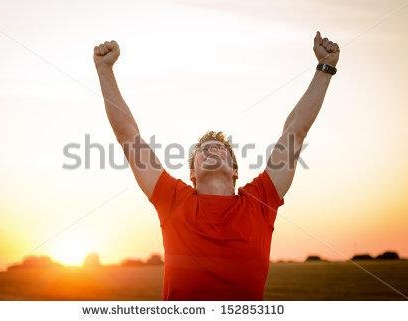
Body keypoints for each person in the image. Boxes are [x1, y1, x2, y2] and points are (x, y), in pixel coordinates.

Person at [93, 31, 340, 300]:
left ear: (234, 170)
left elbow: (295, 132)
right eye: (202, 149)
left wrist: (325, 68)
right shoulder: (174, 200)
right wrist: (104, 69)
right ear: (192, 175)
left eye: (220, 147)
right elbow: (129, 136)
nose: (211, 147)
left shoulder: (260, 201)